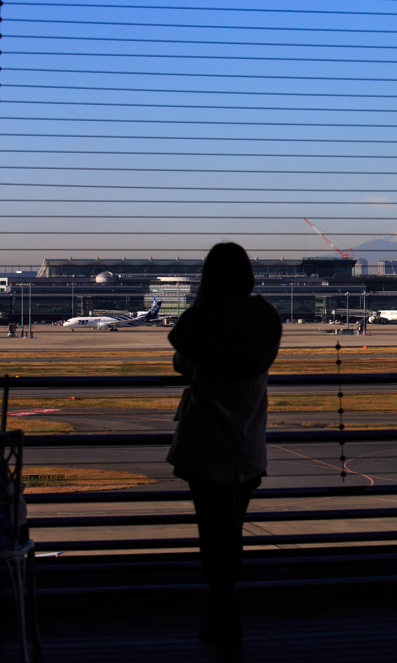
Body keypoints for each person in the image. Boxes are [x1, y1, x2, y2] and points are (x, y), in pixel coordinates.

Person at [167, 242, 282, 643]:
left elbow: (182, 354)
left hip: (205, 445)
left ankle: (222, 607)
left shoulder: (202, 318)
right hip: (247, 446)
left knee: (211, 534)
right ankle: (226, 605)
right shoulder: (265, 318)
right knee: (232, 531)